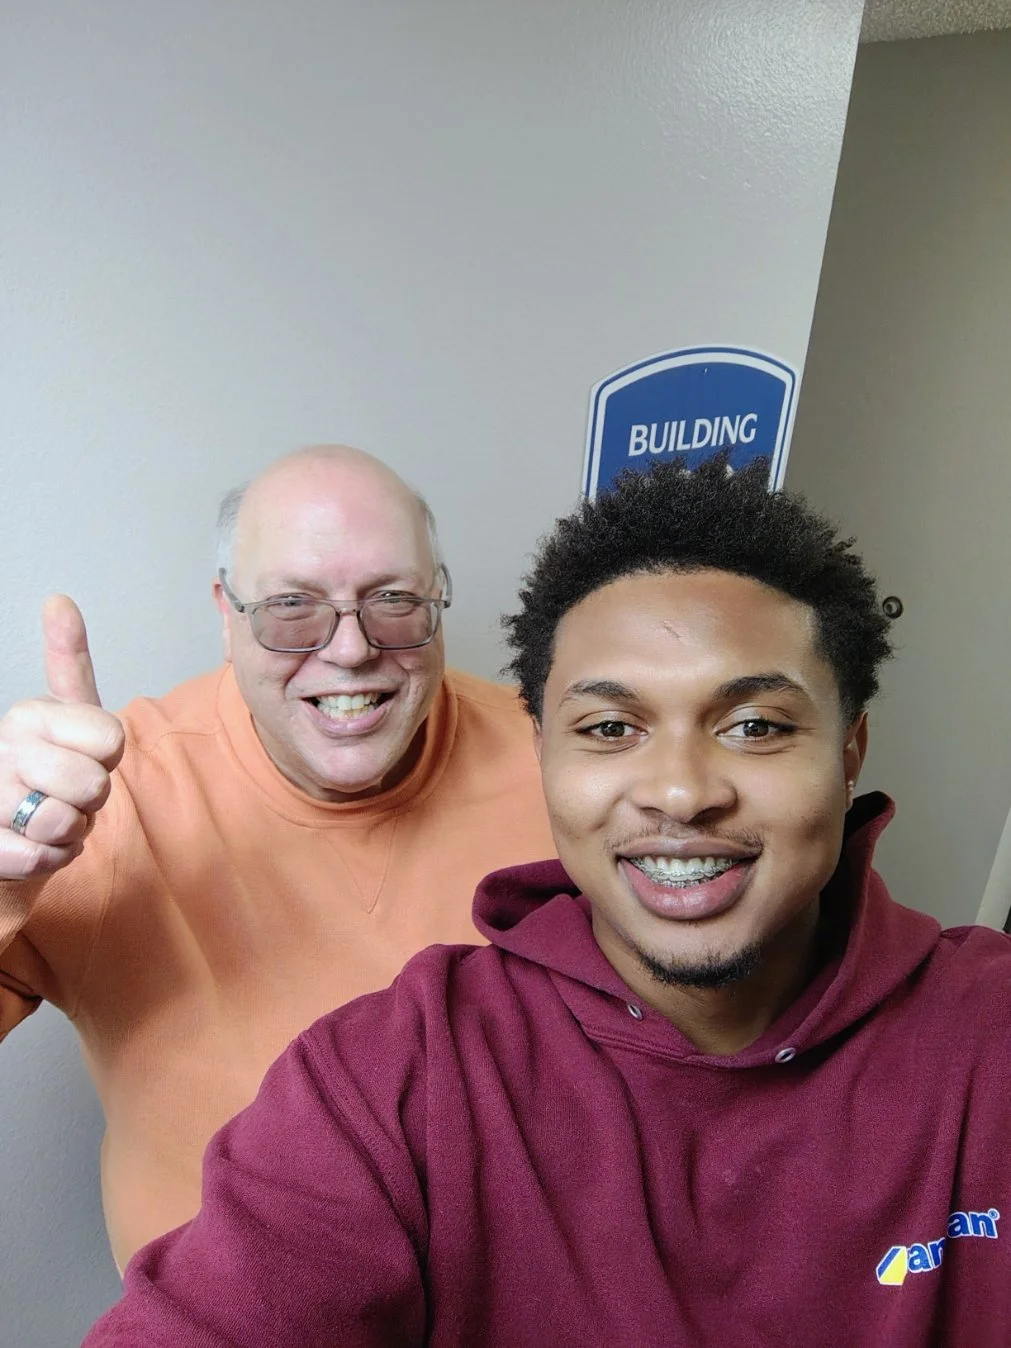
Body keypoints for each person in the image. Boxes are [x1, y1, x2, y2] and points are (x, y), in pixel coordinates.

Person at [83, 456, 1011, 1347]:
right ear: (544, 756)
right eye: (610, 728)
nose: (680, 793)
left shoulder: (983, 1038)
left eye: (755, 726)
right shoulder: (392, 1079)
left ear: (848, 753)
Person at [0, 445, 555, 1270]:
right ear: (227, 614)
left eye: (394, 600)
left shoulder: (561, 760)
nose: (349, 650)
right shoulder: (94, 803)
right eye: (292, 607)